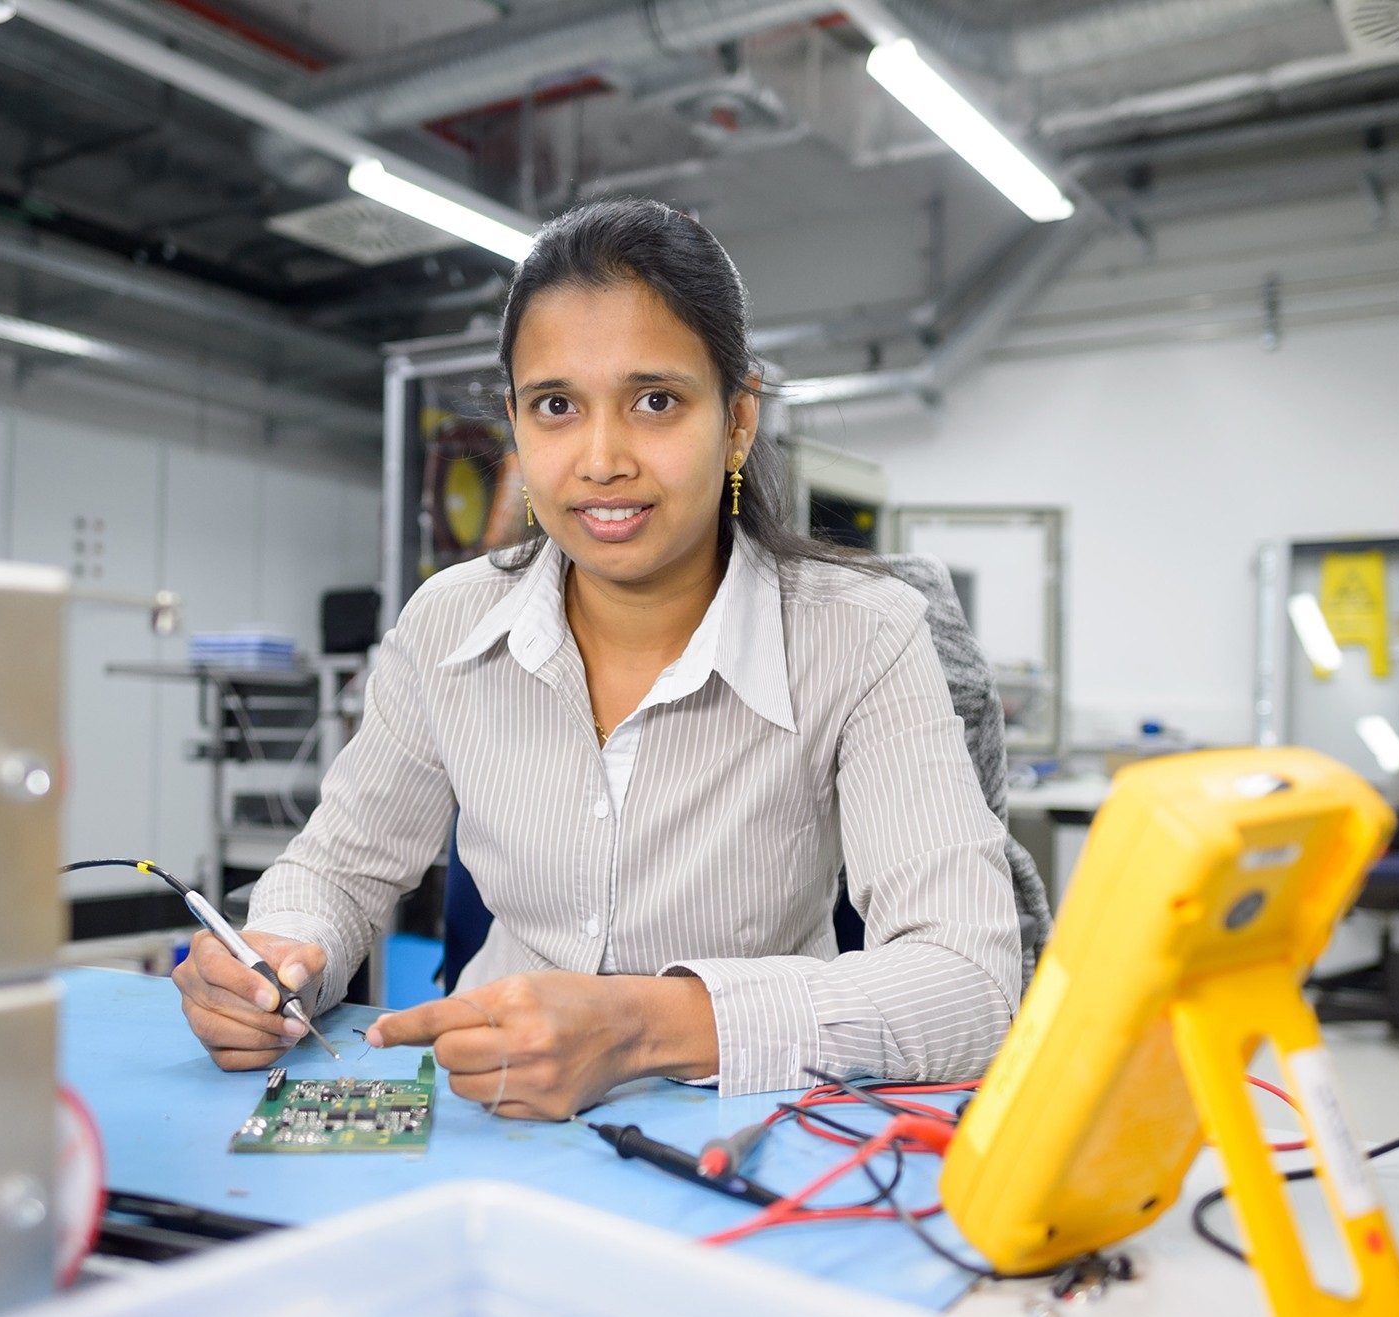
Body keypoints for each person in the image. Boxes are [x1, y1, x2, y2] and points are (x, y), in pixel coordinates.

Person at [174, 198, 1021, 1120]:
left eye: (655, 401)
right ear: (517, 425)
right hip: (485, 1118)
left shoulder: (865, 633)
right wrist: (276, 959)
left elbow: (970, 987)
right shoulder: (446, 624)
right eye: (556, 406)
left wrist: (640, 1025)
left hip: (746, 1128)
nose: (602, 457)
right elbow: (340, 868)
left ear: (738, 420)